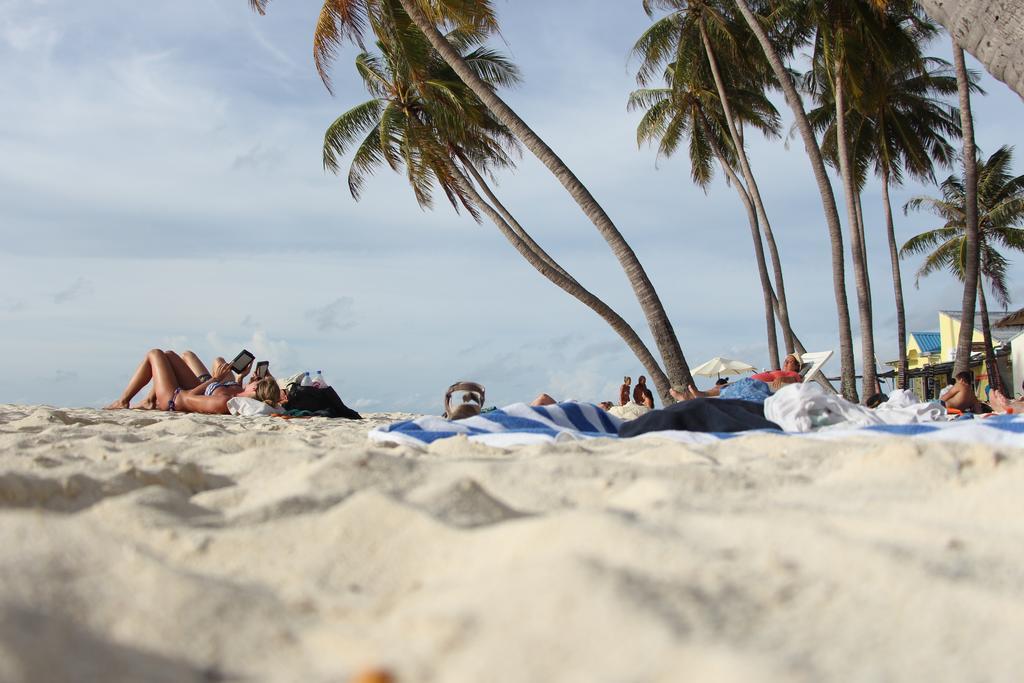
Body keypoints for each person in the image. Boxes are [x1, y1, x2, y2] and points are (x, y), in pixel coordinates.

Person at [106, 349, 282, 414]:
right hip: (182, 394)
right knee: (168, 355)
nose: (255, 379)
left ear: (253, 391)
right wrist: (240, 377)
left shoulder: (223, 401)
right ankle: (149, 401)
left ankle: (122, 402)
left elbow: (188, 396)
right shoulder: (238, 393)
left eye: (256, 381)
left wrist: (215, 379)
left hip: (173, 398)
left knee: (155, 354)